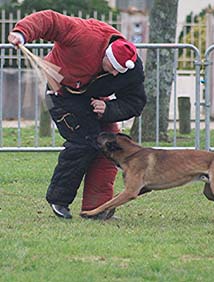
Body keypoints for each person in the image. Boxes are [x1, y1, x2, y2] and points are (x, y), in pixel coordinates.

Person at [8, 10, 147, 220]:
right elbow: (49, 20)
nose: (115, 74)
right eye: (113, 68)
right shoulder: (84, 34)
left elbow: (135, 102)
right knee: (84, 142)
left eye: (120, 71)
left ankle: (97, 209)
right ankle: (59, 200)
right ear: (105, 55)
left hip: (94, 100)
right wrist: (22, 32)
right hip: (60, 93)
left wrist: (107, 109)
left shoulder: (132, 68)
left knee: (110, 146)